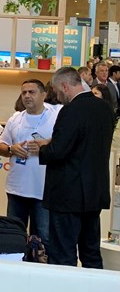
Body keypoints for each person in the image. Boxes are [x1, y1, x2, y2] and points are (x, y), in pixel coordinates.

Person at [29, 67, 114, 268]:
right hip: (94, 192)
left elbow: (59, 151)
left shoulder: (70, 111)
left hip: (68, 194)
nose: (57, 97)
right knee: (91, 252)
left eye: (58, 92)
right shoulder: (104, 108)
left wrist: (44, 147)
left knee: (63, 253)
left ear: (65, 86)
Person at [0, 79, 59, 246]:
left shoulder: (56, 117)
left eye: (32, 92)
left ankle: (40, 268)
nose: (26, 96)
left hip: (43, 190)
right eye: (24, 92)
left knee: (43, 238)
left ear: (44, 94)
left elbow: (63, 147)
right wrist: (11, 149)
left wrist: (45, 147)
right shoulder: (15, 118)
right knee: (14, 236)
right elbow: (1, 146)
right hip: (17, 189)